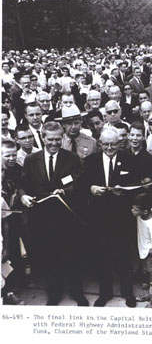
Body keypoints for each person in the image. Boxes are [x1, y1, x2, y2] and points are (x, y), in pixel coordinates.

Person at [19, 121, 88, 306]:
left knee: (73, 255)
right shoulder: (31, 160)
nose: (54, 143)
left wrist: (66, 191)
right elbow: (22, 185)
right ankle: (54, 293)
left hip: (66, 217)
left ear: (62, 137)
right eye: (50, 139)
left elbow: (79, 183)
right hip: (43, 218)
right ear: (42, 138)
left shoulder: (72, 158)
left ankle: (77, 292)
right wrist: (23, 196)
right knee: (49, 257)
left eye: (58, 139)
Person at [81, 127, 137, 308]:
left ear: (120, 143)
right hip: (99, 218)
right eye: (106, 144)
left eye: (113, 144)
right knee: (102, 256)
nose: (110, 148)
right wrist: (91, 189)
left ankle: (128, 292)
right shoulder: (90, 161)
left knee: (124, 257)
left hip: (122, 218)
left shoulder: (129, 159)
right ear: (100, 144)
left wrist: (125, 193)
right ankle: (105, 293)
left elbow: (136, 186)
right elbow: (82, 185)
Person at [131, 192, 152, 308]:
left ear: (145, 211)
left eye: (135, 210)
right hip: (144, 249)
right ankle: (150, 294)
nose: (132, 211)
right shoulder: (142, 214)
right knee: (149, 272)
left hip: (151, 251)